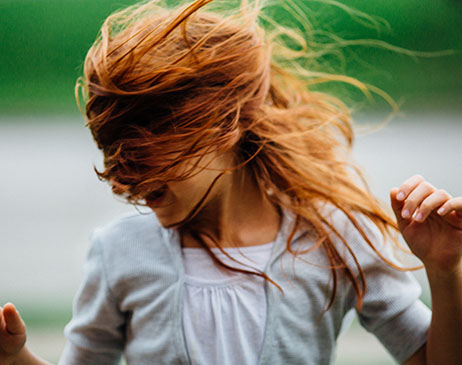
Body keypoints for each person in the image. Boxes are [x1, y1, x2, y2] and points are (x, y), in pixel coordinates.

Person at [1, 0, 461, 364]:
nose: (124, 178)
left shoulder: (336, 240)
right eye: (112, 153)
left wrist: (444, 273)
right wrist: (15, 356)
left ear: (227, 123)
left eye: (145, 153)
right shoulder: (118, 252)